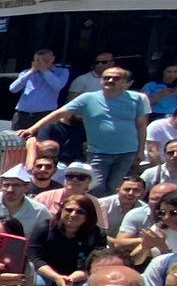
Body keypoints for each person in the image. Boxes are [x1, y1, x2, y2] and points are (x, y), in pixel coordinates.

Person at [23, 63, 150, 194]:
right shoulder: (88, 98)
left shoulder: (137, 99)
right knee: (95, 188)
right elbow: (59, 113)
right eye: (106, 78)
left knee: (114, 188)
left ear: (126, 83)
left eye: (116, 78)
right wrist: (32, 129)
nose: (110, 80)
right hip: (98, 153)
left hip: (127, 152)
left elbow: (141, 125)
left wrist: (140, 151)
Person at [10, 48, 72, 130]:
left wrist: (45, 70)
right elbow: (13, 89)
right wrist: (31, 71)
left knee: (42, 141)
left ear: (52, 59)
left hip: (45, 116)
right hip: (22, 115)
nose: (41, 63)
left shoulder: (62, 72)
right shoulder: (26, 73)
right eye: (38, 61)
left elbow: (57, 86)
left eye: (45, 61)